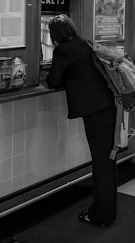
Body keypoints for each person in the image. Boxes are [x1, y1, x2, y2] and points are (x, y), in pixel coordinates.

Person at [46, 14, 118, 227]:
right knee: (108, 161)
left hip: (95, 113)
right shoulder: (84, 43)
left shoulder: (63, 51)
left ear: (54, 36)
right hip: (108, 106)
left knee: (101, 163)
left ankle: (101, 216)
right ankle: (108, 210)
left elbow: (53, 80)